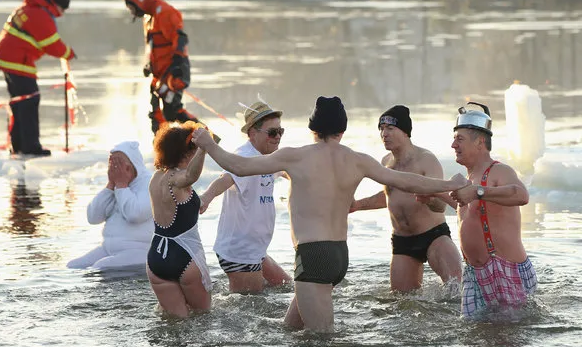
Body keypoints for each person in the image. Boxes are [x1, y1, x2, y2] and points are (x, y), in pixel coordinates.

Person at [193, 96, 468, 332]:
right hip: (339, 256)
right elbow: (405, 181)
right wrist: (448, 185)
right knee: (290, 330)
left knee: (321, 346)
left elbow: (238, 166)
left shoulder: (295, 156)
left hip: (313, 255)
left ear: (313, 127)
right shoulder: (358, 159)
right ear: (342, 130)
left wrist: (208, 144)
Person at [351, 105, 462, 291]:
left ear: (405, 132)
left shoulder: (426, 160)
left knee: (457, 289)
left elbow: (441, 206)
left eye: (390, 129)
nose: (384, 134)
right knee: (402, 302)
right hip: (403, 242)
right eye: (381, 129)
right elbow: (388, 196)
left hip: (433, 235)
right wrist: (356, 205)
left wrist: (430, 199)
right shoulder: (386, 162)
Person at [448, 102, 537, 318]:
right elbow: (470, 215)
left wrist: (478, 191)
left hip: (505, 271)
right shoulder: (469, 179)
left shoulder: (499, 171)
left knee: (506, 345)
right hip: (473, 275)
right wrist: (431, 199)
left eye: (459, 139)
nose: (453, 145)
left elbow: (521, 195)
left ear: (480, 142)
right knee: (473, 341)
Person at [200, 100, 292, 293]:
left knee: (286, 287)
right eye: (272, 132)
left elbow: (290, 172)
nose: (277, 138)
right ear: (252, 133)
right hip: (240, 250)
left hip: (256, 249)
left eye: (280, 132)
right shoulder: (244, 157)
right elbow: (224, 179)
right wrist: (206, 197)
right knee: (252, 304)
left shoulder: (271, 157)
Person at [0, 0, 76, 156]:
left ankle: (19, 145)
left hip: (9, 59)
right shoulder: (41, 15)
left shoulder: (31, 8)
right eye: (62, 10)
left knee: (19, 102)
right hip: (17, 61)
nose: (61, 15)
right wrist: (68, 54)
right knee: (29, 101)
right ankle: (30, 147)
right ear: (58, 5)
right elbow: (51, 44)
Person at [148, 121, 212, 317]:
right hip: (185, 255)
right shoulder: (177, 179)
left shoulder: (156, 177)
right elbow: (191, 175)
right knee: (203, 319)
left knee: (175, 322)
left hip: (156, 259)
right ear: (186, 153)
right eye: (192, 151)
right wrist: (204, 148)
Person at [122, 0, 200, 135]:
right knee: (156, 111)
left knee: (173, 111)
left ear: (140, 2)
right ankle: (160, 145)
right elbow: (155, 46)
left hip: (174, 69)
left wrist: (177, 65)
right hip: (160, 73)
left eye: (131, 7)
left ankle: (207, 138)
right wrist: (149, 65)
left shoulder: (163, 12)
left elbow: (180, 38)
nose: (131, 12)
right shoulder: (149, 17)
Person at [67, 141, 154, 270]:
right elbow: (93, 217)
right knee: (74, 266)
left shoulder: (150, 183)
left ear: (130, 167)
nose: (114, 169)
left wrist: (121, 185)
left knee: (101, 267)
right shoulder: (116, 184)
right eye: (112, 164)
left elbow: (135, 215)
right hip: (109, 249)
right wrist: (110, 187)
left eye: (118, 165)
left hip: (140, 250)